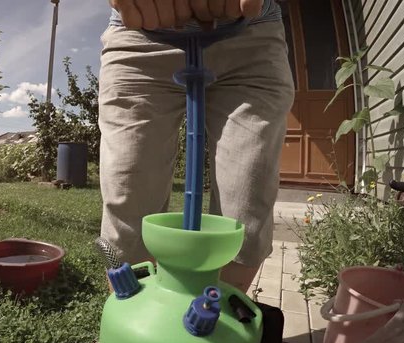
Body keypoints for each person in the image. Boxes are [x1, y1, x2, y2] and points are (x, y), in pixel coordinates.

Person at [99, 0, 295, 292]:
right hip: (138, 36)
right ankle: (135, 318)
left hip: (252, 34)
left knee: (247, 197)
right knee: (128, 193)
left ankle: (218, 318)